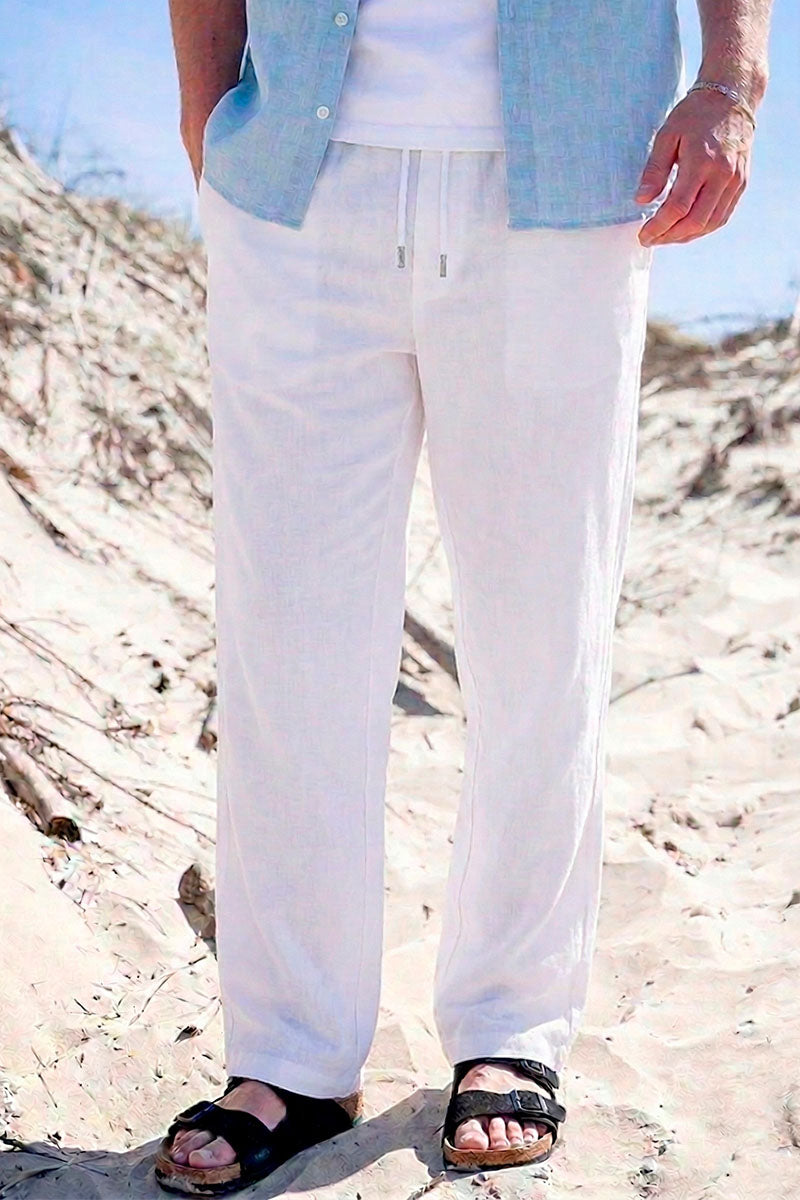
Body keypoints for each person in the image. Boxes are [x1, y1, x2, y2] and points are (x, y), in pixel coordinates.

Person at [157, 0, 772, 1193]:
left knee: (541, 642)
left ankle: (509, 1027)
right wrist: (210, 116)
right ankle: (290, 1054)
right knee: (287, 646)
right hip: (296, 173)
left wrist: (729, 83)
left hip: (571, 179)